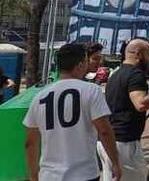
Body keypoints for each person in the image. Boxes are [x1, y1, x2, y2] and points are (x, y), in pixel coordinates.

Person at [23, 43, 121, 181]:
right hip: (83, 173)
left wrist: (34, 176)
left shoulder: (40, 97)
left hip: (49, 175)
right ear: (80, 65)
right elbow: (104, 130)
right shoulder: (91, 90)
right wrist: (115, 163)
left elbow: (30, 143)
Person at [101, 38, 149, 181]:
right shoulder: (135, 74)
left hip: (108, 140)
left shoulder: (115, 74)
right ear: (138, 54)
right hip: (124, 142)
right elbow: (140, 104)